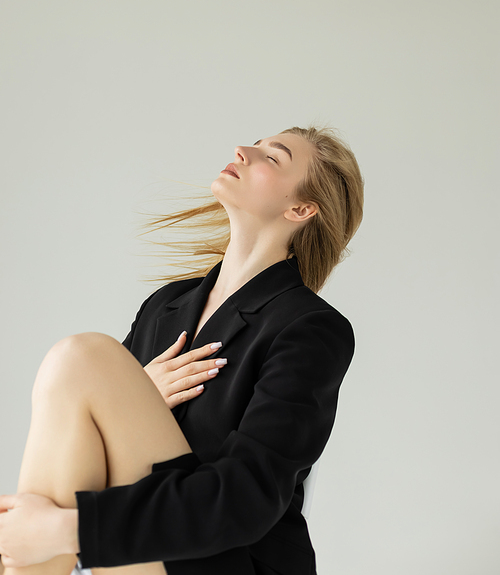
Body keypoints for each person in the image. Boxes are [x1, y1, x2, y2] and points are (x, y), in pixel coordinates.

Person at [0, 125, 364, 575]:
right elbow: (90, 457)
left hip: (229, 562)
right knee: (79, 363)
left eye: (274, 157)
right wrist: (142, 394)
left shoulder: (310, 327)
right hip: (137, 551)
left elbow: (246, 500)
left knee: (80, 357)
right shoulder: (164, 306)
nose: (243, 150)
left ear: (302, 207)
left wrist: (59, 532)